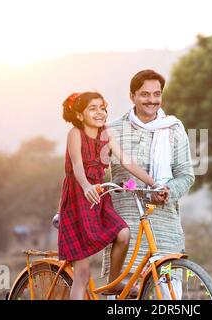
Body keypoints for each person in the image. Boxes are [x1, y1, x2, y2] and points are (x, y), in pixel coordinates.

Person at [101, 70, 195, 288]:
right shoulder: (112, 130)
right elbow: (94, 169)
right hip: (126, 230)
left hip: (164, 227)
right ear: (132, 96)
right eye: (144, 94)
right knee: (123, 297)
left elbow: (186, 174)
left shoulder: (173, 128)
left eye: (157, 94)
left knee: (169, 295)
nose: (152, 100)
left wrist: (167, 191)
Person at [57, 91, 156, 299]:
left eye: (102, 108)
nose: (99, 112)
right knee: (82, 275)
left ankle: (113, 282)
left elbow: (127, 161)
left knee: (123, 233)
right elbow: (77, 166)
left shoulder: (107, 134)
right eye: (92, 108)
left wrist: (153, 184)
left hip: (99, 196)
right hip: (78, 198)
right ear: (80, 115)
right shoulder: (75, 133)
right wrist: (86, 186)